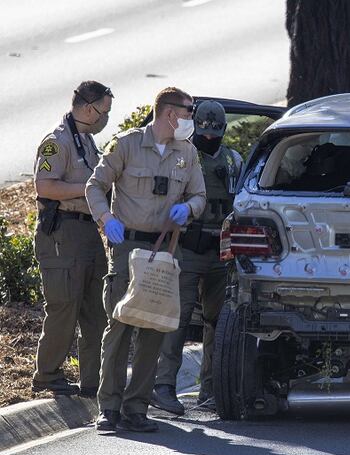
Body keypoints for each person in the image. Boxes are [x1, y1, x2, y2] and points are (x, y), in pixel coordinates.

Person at [86, 87, 206, 433]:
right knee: (120, 326)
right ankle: (108, 407)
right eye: (188, 112)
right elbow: (95, 186)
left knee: (153, 327)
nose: (190, 119)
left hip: (164, 249)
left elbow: (198, 194)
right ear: (170, 114)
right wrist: (106, 220)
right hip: (127, 248)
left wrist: (189, 209)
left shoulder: (188, 153)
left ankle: (136, 408)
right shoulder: (126, 145)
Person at [152, 100, 243, 415]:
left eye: (214, 133)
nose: (208, 139)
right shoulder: (181, 158)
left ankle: (212, 390)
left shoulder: (234, 161)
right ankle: (164, 386)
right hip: (186, 251)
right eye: (203, 132)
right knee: (176, 321)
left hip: (221, 254)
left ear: (222, 131)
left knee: (218, 324)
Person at [31, 81, 113, 397]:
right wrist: (88, 188)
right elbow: (45, 186)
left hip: (87, 230)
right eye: (104, 110)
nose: (106, 116)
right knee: (64, 305)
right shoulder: (57, 141)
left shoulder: (87, 140)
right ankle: (47, 374)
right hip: (62, 232)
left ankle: (92, 380)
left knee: (96, 308)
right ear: (89, 108)